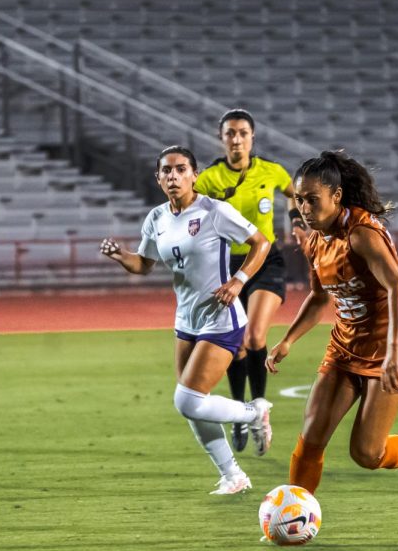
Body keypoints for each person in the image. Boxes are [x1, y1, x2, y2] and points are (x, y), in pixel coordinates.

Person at [267, 151, 398, 497]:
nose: (304, 208)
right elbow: (320, 297)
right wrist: (288, 340)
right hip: (345, 347)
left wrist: (393, 351)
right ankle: (294, 515)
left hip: (389, 350)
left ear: (336, 196)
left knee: (366, 453)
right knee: (312, 434)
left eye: (312, 200)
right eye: (299, 200)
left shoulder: (361, 235)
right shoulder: (316, 239)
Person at [101, 145, 273, 494]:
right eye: (166, 171)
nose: (173, 176)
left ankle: (253, 412)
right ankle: (233, 476)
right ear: (158, 178)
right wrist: (122, 256)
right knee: (194, 405)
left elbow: (261, 242)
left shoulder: (214, 211)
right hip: (186, 320)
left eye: (181, 169)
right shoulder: (157, 218)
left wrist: (238, 281)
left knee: (187, 400)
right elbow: (145, 265)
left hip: (222, 318)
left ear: (194, 175)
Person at [194, 109, 304, 452]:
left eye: (243, 132)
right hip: (226, 266)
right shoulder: (209, 178)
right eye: (230, 133)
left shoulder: (271, 171)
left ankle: (259, 410)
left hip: (265, 261)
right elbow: (187, 206)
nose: (237, 138)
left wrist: (297, 221)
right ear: (221, 138)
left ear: (252, 137)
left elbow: (294, 192)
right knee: (237, 345)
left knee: (255, 335)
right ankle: (242, 413)